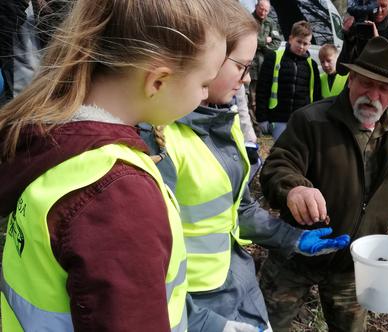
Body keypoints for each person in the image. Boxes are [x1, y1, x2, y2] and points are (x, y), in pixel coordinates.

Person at [0, 0, 229, 330]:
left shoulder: (57, 143)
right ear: (158, 81)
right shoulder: (118, 195)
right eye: (204, 83)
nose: (205, 94)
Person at [142, 8, 350, 332]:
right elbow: (146, 274)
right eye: (241, 67)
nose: (247, 78)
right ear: (205, 57)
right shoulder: (158, 140)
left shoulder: (223, 122)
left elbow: (238, 210)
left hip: (240, 291)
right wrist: (207, 325)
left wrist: (292, 238)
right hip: (199, 307)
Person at [259, 36, 388, 332]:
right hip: (296, 255)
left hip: (355, 267)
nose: (372, 95)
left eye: (384, 88)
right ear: (351, 80)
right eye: (365, 83)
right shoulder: (311, 121)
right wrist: (294, 188)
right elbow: (276, 167)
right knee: (267, 327)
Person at [337, 0, 388, 123]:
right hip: (356, 101)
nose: (379, 10)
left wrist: (378, 42)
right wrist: (349, 39)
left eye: (383, 6)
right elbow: (341, 70)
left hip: (387, 106)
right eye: (376, 6)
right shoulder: (359, 27)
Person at [255, 20, 322, 141]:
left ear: (310, 45)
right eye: (299, 41)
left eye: (305, 43)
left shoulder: (312, 65)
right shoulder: (274, 58)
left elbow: (316, 96)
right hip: (278, 119)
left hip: (302, 121)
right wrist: (262, 117)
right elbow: (262, 89)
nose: (301, 46)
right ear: (291, 39)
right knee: (280, 153)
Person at [248, 0, 282, 127]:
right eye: (261, 9)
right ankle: (254, 126)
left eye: (266, 10)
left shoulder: (271, 23)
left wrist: (262, 47)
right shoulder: (248, 20)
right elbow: (248, 39)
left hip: (266, 67)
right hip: (251, 66)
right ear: (256, 6)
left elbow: (277, 42)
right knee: (251, 98)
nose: (263, 12)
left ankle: (261, 123)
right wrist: (264, 42)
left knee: (263, 96)